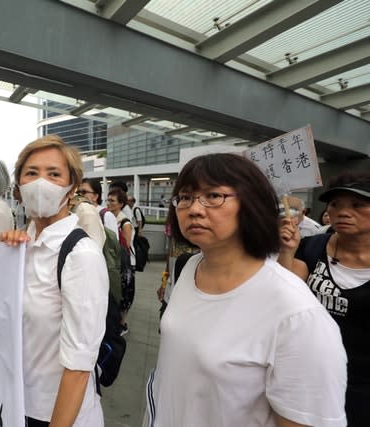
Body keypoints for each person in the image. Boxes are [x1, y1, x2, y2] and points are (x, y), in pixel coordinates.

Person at [144, 153, 347, 427]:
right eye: (185, 197)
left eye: (213, 196)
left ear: (252, 204)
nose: (194, 208)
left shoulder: (296, 315)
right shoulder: (192, 267)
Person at [0, 134, 108, 426]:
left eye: (54, 174)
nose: (40, 183)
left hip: (57, 414)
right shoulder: (22, 246)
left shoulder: (81, 256)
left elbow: (79, 366)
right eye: (31, 173)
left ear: (72, 188)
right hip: (14, 404)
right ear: (19, 187)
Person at [279, 171, 370, 426]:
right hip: (309, 377)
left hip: (362, 387)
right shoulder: (311, 247)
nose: (342, 212)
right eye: (335, 204)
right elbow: (286, 296)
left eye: (357, 205)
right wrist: (286, 252)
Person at [106, 188, 134, 336]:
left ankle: (123, 324)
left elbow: (126, 247)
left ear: (121, 204)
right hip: (115, 263)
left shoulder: (125, 223)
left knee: (124, 294)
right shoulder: (109, 218)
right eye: (108, 200)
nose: (108, 203)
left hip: (124, 265)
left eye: (112, 201)